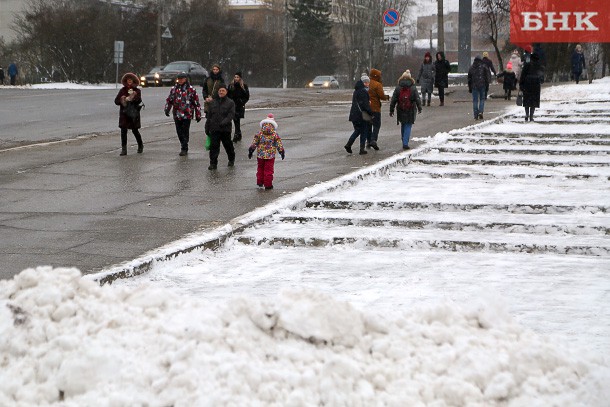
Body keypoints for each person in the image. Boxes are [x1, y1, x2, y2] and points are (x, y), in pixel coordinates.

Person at [164, 72, 202, 156]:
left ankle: (184, 147)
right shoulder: (174, 89)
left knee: (185, 131)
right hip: (177, 113)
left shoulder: (191, 89)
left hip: (187, 113)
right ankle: (183, 143)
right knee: (179, 131)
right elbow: (169, 100)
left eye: (182, 79)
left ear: (185, 79)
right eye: (179, 79)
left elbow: (196, 102)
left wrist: (198, 114)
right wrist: (167, 109)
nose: (180, 80)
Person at [248, 113, 285, 190]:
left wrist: (251, 150)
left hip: (260, 155)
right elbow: (279, 144)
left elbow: (254, 143)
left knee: (260, 168)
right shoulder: (275, 134)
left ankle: (260, 182)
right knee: (269, 170)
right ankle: (268, 185)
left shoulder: (259, 133)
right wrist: (281, 151)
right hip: (270, 156)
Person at [205, 83, 236, 170]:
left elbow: (231, 115)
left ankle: (231, 159)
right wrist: (207, 127)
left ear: (226, 92)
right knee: (214, 147)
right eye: (220, 91)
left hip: (225, 129)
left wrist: (224, 122)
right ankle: (213, 163)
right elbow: (209, 116)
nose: (221, 92)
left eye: (223, 91)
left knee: (228, 145)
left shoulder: (230, 102)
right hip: (214, 129)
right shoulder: (213, 102)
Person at [389, 70, 422, 150]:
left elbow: (394, 99)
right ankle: (405, 142)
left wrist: (391, 109)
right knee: (408, 125)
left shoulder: (398, 87)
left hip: (401, 108)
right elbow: (417, 98)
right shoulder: (413, 87)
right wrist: (419, 107)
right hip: (410, 109)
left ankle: (403, 139)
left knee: (403, 124)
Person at [113, 73, 144, 156]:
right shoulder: (122, 90)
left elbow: (139, 100)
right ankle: (124, 149)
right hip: (124, 114)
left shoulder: (137, 91)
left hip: (133, 114)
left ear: (134, 81)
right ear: (126, 81)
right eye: (128, 79)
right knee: (123, 131)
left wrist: (132, 97)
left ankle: (140, 145)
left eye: (131, 79)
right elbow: (116, 101)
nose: (129, 81)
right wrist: (123, 99)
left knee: (135, 130)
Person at [344, 75, 373, 155]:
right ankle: (361, 149)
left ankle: (349, 145)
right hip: (361, 115)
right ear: (363, 83)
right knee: (363, 131)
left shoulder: (356, 90)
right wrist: (371, 113)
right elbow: (365, 105)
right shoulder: (363, 91)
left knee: (357, 130)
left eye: (368, 82)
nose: (367, 84)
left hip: (354, 114)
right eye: (366, 82)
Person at [367, 68, 389, 150]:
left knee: (368, 125)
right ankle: (373, 140)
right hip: (375, 108)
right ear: (376, 76)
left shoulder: (366, 83)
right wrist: (386, 97)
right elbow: (381, 96)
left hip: (366, 108)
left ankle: (368, 141)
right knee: (376, 125)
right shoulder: (377, 84)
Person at [520, 52, 544, 122]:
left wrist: (521, 84)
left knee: (527, 100)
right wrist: (540, 81)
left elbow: (523, 75)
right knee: (534, 101)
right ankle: (531, 116)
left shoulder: (527, 65)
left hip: (527, 83)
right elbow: (541, 76)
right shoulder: (539, 66)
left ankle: (527, 114)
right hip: (536, 84)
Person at [227, 71, 250, 143]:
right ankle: (237, 134)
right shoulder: (231, 85)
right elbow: (228, 95)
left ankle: (237, 134)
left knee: (237, 120)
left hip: (239, 106)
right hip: (232, 106)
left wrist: (242, 102)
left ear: (240, 78)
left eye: (237, 77)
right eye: (235, 77)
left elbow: (246, 96)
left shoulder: (244, 86)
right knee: (235, 119)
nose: (236, 78)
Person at [468, 55, 491, 121]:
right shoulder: (483, 67)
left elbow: (469, 78)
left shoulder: (472, 67)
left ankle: (475, 115)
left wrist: (470, 87)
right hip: (482, 85)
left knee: (475, 100)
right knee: (482, 99)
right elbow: (487, 77)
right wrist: (487, 85)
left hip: (474, 86)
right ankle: (481, 111)